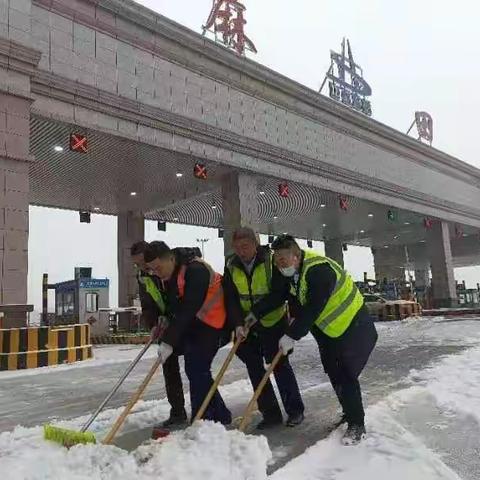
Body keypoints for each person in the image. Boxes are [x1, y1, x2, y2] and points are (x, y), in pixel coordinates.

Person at [251, 235, 378, 445]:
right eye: (277, 259)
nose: (279, 264)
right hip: (327, 330)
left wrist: (291, 335)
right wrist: (254, 314)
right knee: (333, 370)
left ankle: (357, 424)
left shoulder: (319, 271)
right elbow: (277, 296)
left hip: (353, 324)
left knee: (346, 374)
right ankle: (349, 412)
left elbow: (312, 308)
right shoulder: (286, 272)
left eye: (284, 259)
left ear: (296, 255)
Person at [223, 227, 305, 429]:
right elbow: (231, 298)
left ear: (255, 243)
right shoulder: (231, 265)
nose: (241, 251)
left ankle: (295, 411)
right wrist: (238, 323)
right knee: (254, 368)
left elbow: (280, 293)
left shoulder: (270, 260)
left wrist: (256, 313)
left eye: (246, 246)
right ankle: (270, 414)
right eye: (237, 247)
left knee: (279, 366)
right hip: (247, 327)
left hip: (272, 322)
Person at [144, 241, 232, 425]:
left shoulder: (195, 270)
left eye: (158, 268)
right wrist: (165, 322)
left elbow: (189, 307)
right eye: (153, 270)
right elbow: (176, 307)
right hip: (197, 325)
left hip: (216, 323)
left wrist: (169, 341)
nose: (157, 273)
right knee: (197, 370)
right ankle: (219, 416)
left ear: (170, 258)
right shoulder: (173, 274)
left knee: (196, 367)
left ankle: (202, 420)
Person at [130, 241, 187, 428]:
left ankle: (206, 410)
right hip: (164, 325)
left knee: (196, 367)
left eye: (143, 263)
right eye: (137, 264)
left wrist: (170, 317)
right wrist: (154, 324)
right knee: (169, 368)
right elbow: (147, 305)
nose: (142, 267)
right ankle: (177, 412)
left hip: (182, 322)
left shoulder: (167, 269)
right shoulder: (143, 277)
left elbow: (179, 297)